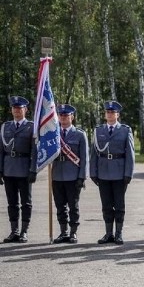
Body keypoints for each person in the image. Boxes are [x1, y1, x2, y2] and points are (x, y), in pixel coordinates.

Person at [90, 100, 135, 244]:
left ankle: (119, 233)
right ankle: (108, 233)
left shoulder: (125, 130)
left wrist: (128, 173)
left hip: (119, 172)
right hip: (103, 173)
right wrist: (93, 172)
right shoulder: (98, 130)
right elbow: (94, 154)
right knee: (106, 205)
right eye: (108, 112)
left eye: (113, 112)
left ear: (117, 114)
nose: (110, 114)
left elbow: (130, 154)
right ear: (105, 115)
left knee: (119, 205)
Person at [0, 96, 37, 243]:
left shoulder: (31, 126)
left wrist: (33, 170)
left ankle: (24, 231)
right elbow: (1, 150)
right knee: (12, 203)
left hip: (24, 169)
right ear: (12, 110)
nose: (17, 111)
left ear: (25, 110)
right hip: (9, 169)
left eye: (20, 108)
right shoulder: (5, 127)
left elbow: (34, 151)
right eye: (14, 108)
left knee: (26, 203)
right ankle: (14, 231)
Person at [50, 104, 88, 244]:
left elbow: (84, 158)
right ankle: (63, 232)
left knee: (73, 206)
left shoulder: (79, 134)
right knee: (60, 206)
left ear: (72, 117)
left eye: (66, 115)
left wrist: (82, 176)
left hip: (73, 175)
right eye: (61, 115)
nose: (63, 117)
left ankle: (73, 233)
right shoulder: (52, 133)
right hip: (57, 174)